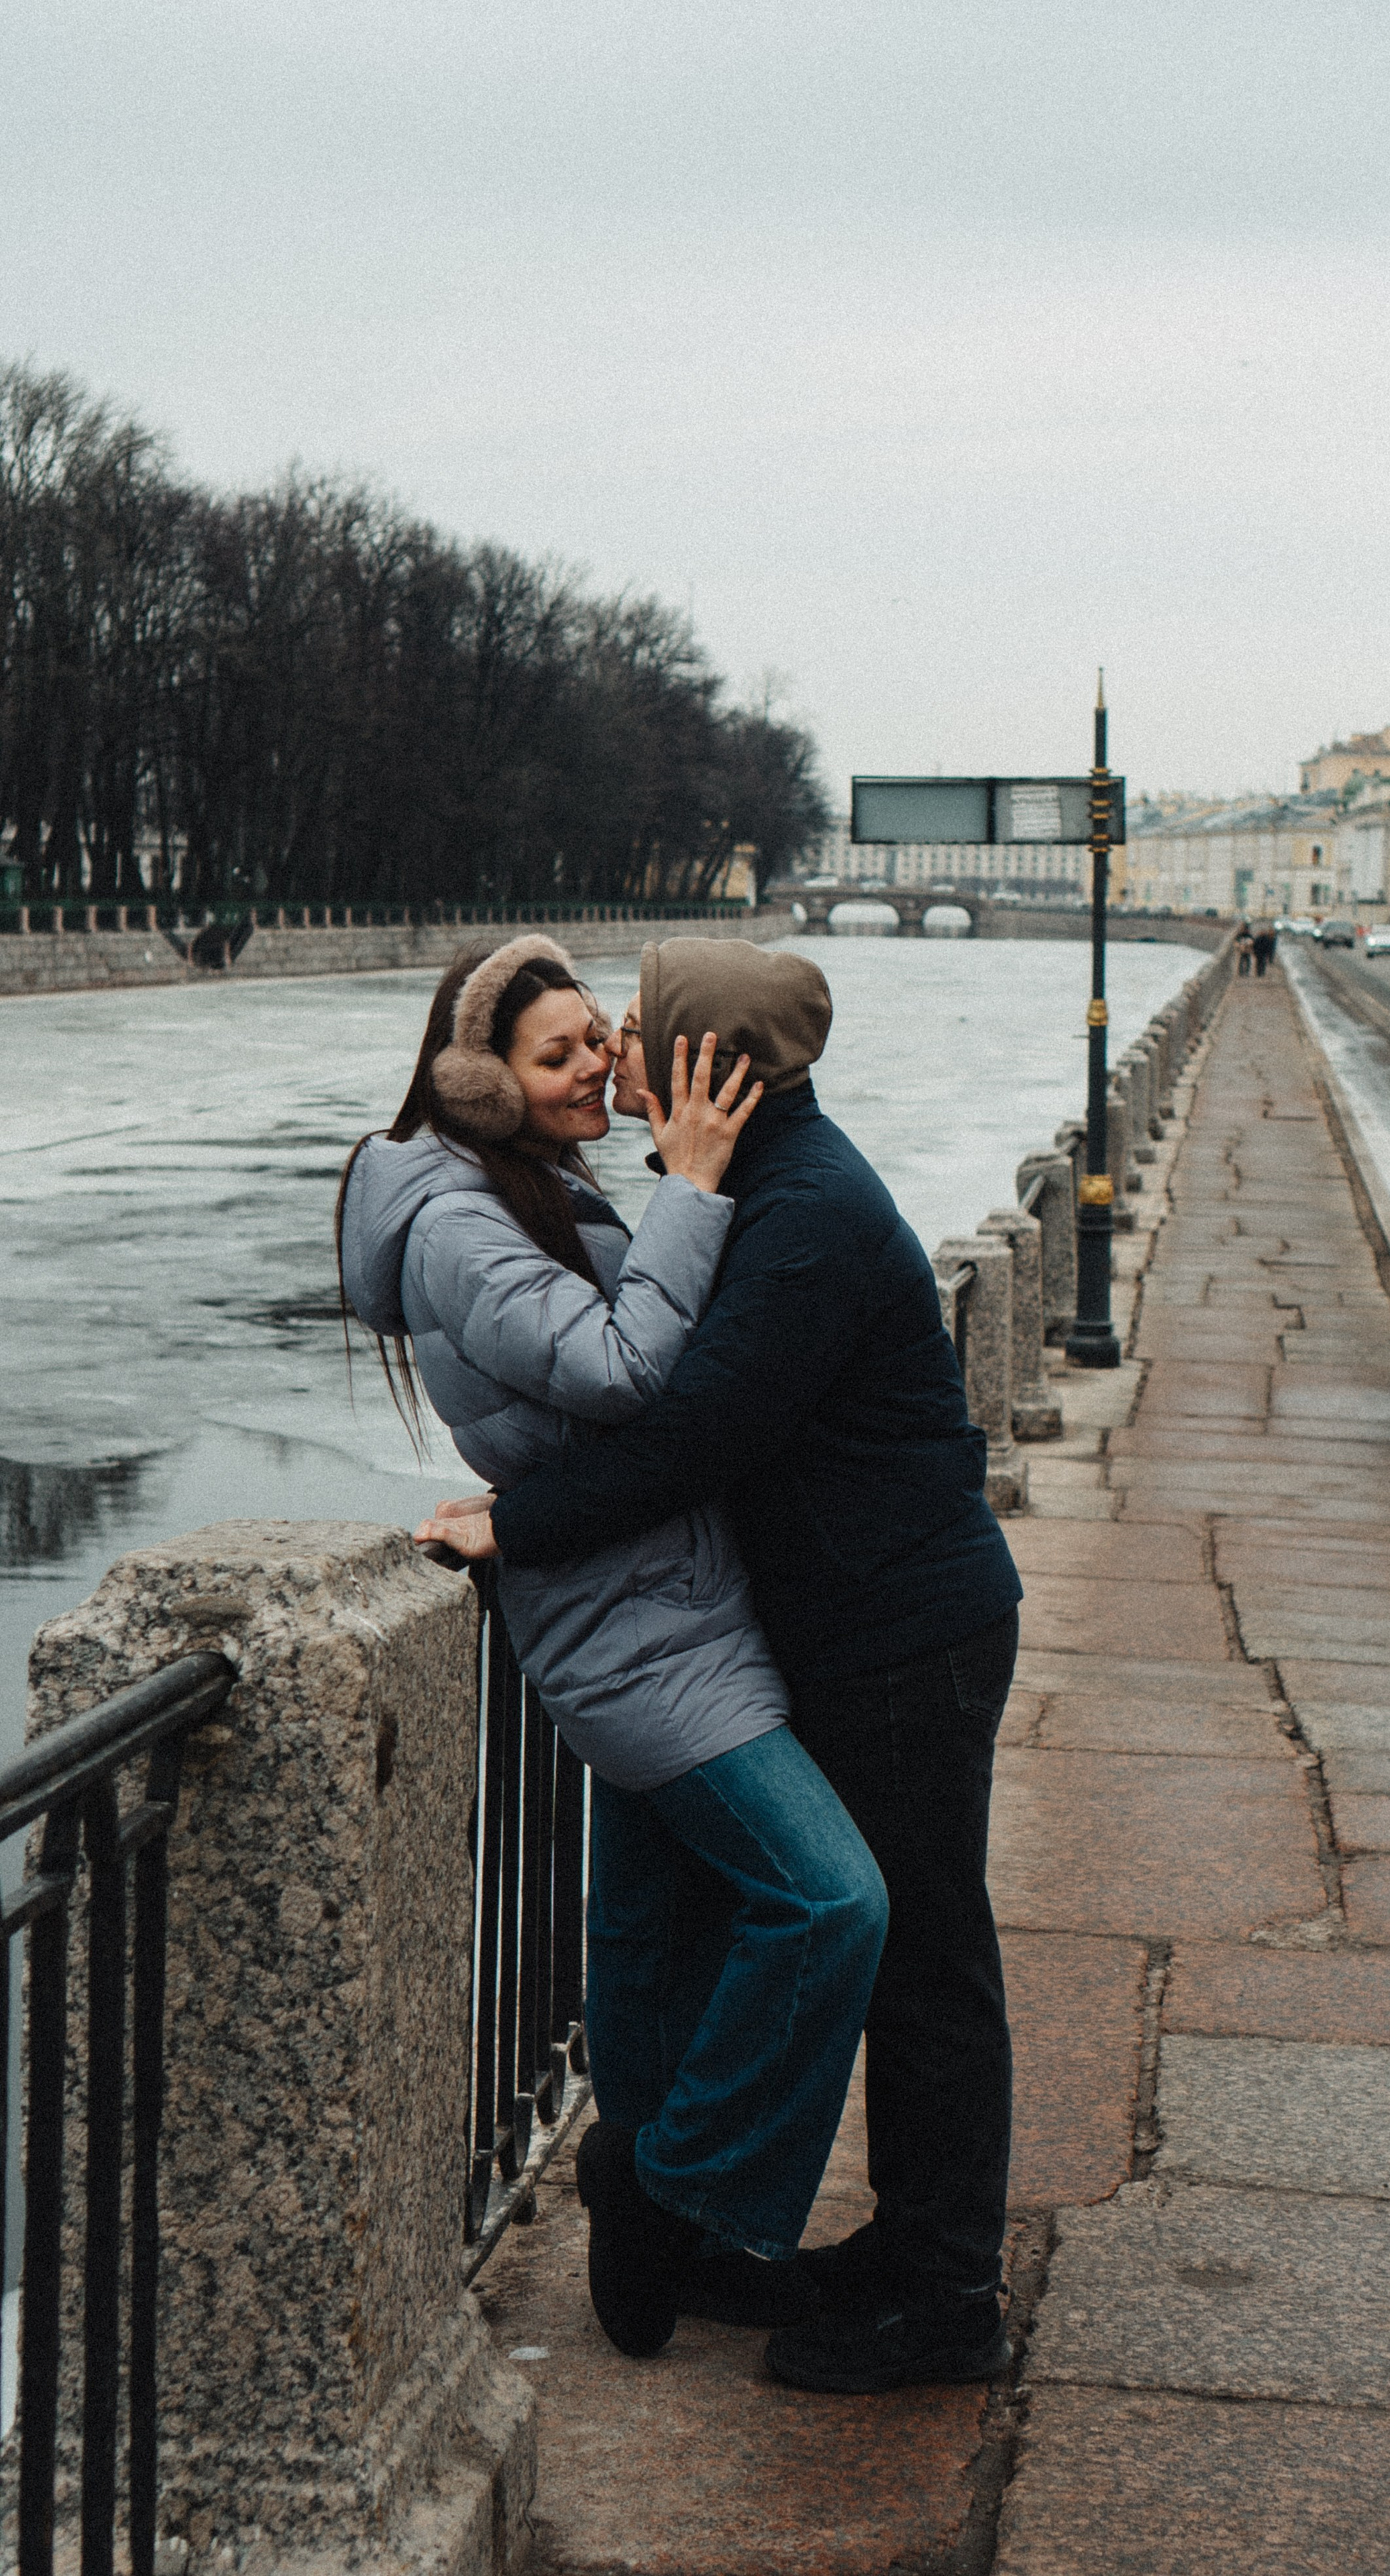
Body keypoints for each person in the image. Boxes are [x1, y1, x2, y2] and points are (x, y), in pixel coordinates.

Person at [418, 938, 1024, 2397]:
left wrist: (516, 1522)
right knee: (869, 1946)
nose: (616, 1056)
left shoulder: (801, 1213)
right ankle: (894, 2245)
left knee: (922, 1960)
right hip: (857, 1619)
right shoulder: (766, 1186)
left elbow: (698, 1431)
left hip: (898, 1628)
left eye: (636, 1034)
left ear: (709, 1066)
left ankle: (939, 2293)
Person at [337, 934, 887, 2364]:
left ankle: (664, 2258)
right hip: (624, 1625)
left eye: (601, 1039)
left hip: (669, 1598)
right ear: (477, 1085)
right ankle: (669, 2191)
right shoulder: (458, 1222)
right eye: (561, 1052)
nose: (600, 1068)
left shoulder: (537, 1184)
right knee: (831, 1906)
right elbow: (622, 1370)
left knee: (648, 1944)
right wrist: (692, 1185)